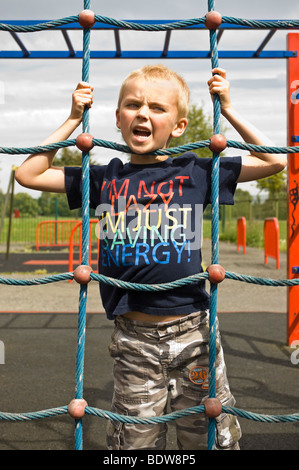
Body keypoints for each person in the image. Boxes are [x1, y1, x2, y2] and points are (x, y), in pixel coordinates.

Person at [15, 65, 287, 450]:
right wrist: (72, 120)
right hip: (133, 339)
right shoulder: (105, 177)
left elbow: (276, 161)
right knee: (134, 445)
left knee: (209, 437)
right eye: (132, 105)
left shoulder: (193, 170)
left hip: (194, 331)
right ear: (118, 118)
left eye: (157, 108)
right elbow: (28, 173)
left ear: (177, 126)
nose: (143, 113)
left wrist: (226, 110)